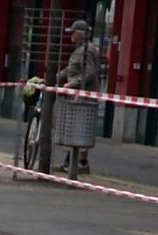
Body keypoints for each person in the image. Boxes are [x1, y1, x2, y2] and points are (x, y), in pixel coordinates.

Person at [57, 19, 100, 174]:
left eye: (73, 32)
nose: (71, 35)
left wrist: (72, 84)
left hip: (83, 95)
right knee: (74, 127)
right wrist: (55, 78)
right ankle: (72, 162)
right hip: (78, 94)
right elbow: (71, 68)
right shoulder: (79, 50)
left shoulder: (87, 51)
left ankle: (80, 163)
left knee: (80, 127)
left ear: (80, 34)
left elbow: (89, 73)